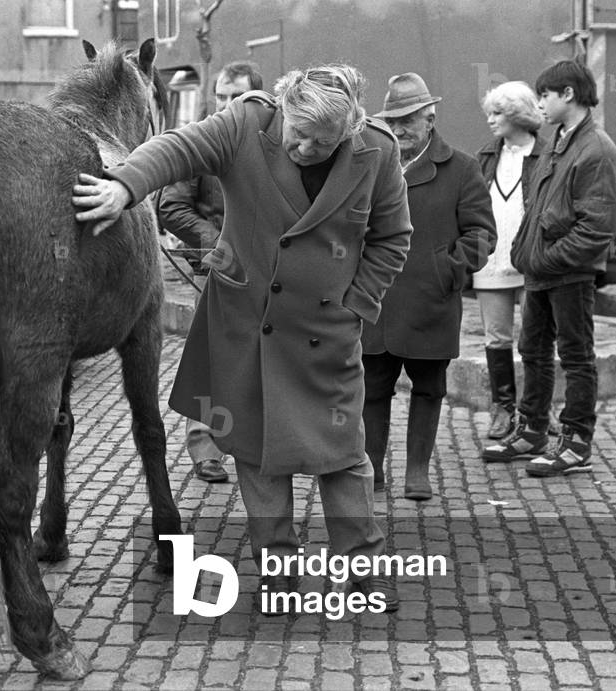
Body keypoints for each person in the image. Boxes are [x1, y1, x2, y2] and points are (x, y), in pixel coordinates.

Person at [73, 64, 412, 609]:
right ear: (283, 110)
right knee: (256, 453)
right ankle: (279, 571)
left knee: (345, 454)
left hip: (328, 332)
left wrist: (357, 304)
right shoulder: (245, 122)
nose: (304, 147)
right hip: (247, 326)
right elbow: (174, 150)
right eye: (297, 134)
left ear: (349, 132)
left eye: (322, 143)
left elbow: (392, 238)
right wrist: (124, 185)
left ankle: (364, 571)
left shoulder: (377, 151)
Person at [483, 60, 616, 476]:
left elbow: (597, 228)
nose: (538, 102)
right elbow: (538, 210)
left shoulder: (596, 149)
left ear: (568, 95)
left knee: (576, 356)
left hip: (569, 274)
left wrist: (541, 258)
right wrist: (531, 259)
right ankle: (532, 431)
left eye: (545, 95)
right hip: (542, 272)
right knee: (533, 351)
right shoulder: (560, 141)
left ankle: (576, 441)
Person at [362, 73, 496, 500]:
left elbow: (481, 234)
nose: (398, 130)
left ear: (430, 119)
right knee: (372, 389)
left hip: (430, 302)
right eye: (392, 122)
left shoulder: (461, 168)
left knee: (429, 388)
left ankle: (417, 472)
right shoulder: (373, 164)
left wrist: (450, 270)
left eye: (407, 122)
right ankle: (372, 470)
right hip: (377, 301)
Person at [158, 60, 263, 483]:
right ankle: (206, 447)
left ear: (256, 98)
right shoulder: (203, 141)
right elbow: (170, 206)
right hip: (215, 272)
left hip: (267, 273)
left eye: (235, 96)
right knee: (212, 358)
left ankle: (256, 439)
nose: (225, 104)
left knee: (260, 357)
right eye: (220, 96)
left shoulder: (276, 142)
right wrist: (219, 245)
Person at [473, 82, 547, 440]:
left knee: (535, 342)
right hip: (491, 263)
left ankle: (536, 414)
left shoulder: (548, 154)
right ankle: (502, 409)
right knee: (496, 338)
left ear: (519, 114)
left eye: (497, 113)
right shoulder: (486, 156)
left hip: (533, 264)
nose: (490, 120)